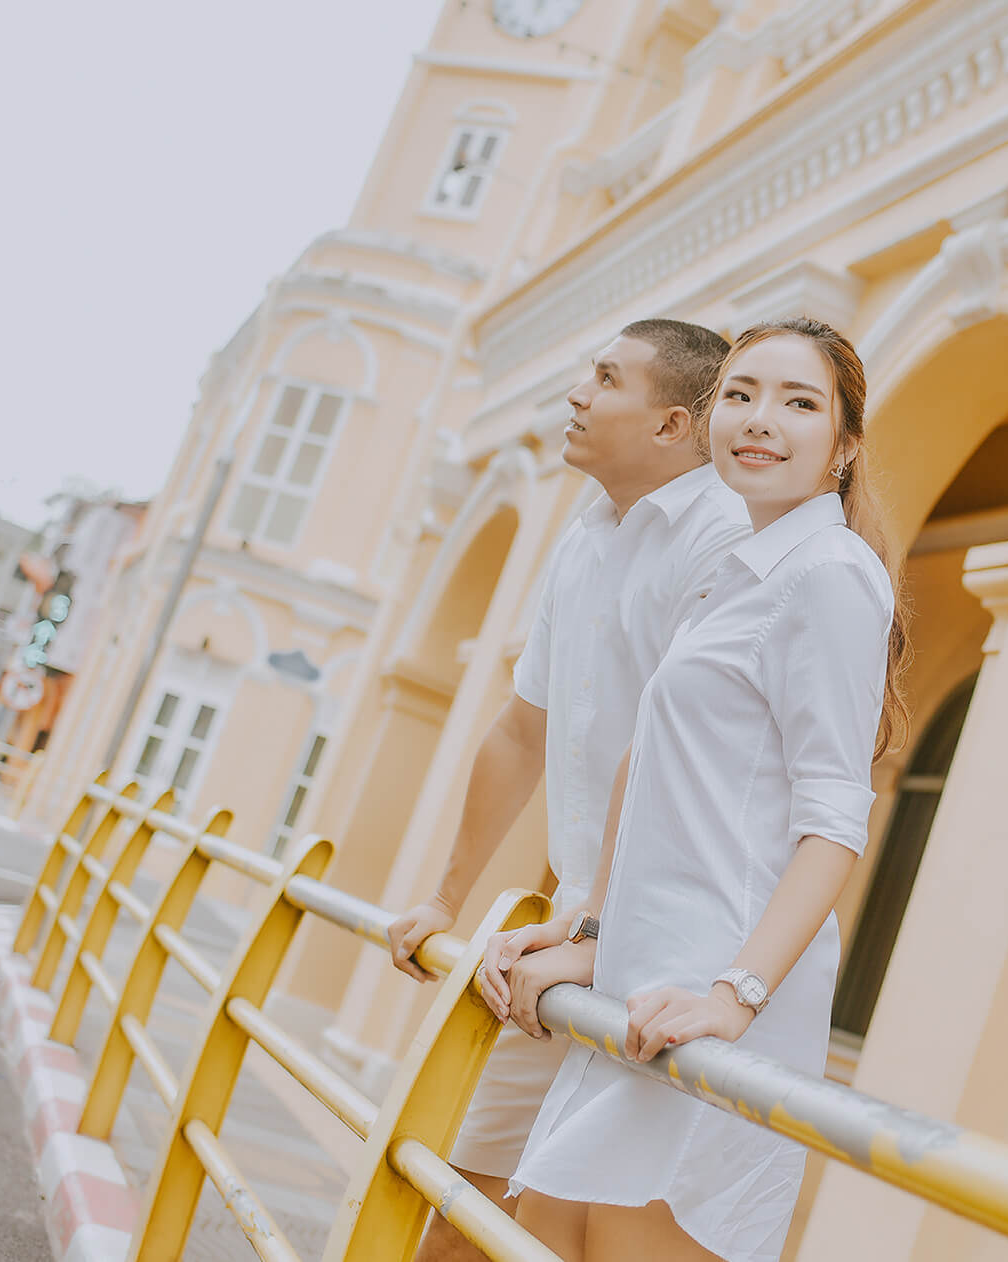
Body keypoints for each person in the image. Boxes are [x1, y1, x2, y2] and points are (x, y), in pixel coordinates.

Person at [501, 316, 910, 1262]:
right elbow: (646, 765)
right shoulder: (736, 569)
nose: (761, 419)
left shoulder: (830, 574)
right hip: (642, 983)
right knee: (540, 1236)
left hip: (711, 1001)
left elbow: (835, 819)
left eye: (799, 403)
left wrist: (735, 996)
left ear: (844, 445)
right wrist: (588, 929)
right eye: (742, 393)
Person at [385, 318, 750, 1262]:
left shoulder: (726, 540)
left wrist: (598, 933)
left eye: (604, 378)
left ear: (673, 424)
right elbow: (520, 731)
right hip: (572, 939)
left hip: (667, 953)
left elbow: (675, 761)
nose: (578, 394)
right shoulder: (585, 537)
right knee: (459, 1199)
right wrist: (444, 899)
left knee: (591, 1233)